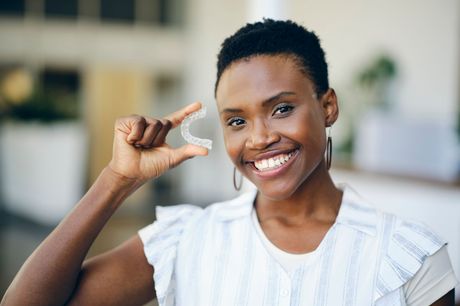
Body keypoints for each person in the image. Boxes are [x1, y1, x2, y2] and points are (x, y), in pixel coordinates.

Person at [1, 19, 457, 306]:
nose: (259, 138)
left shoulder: (410, 257)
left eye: (281, 108)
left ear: (328, 107)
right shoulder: (185, 241)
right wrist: (115, 181)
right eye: (236, 120)